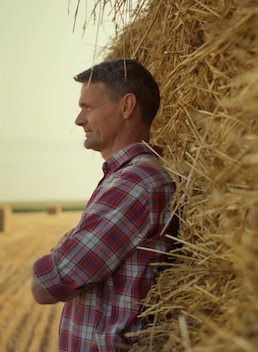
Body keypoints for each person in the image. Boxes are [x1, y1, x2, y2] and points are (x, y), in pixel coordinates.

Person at [31, 58, 179, 351]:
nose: (78, 120)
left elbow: (48, 284)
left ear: (126, 107)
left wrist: (64, 245)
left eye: (88, 107)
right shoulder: (124, 178)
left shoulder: (137, 183)